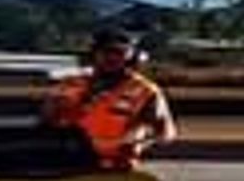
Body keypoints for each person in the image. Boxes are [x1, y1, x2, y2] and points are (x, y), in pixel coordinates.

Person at [44, 27, 175, 169]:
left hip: (117, 168)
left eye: (120, 53)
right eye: (107, 52)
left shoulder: (145, 91)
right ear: (93, 54)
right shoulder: (69, 85)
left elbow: (165, 133)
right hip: (68, 166)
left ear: (132, 57)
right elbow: (46, 123)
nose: (113, 58)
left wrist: (141, 144)